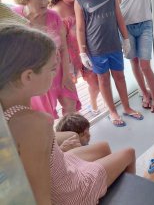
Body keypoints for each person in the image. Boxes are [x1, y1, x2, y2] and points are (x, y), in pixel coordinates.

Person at [0, 23, 136, 205]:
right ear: (28, 77)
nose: (55, 74)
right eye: (51, 69)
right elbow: (42, 199)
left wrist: (57, 147)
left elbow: (31, 153)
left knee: (102, 147)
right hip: (71, 194)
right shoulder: (36, 124)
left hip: (61, 168)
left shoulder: (8, 111)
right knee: (128, 153)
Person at [71, 0, 143, 127]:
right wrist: (82, 52)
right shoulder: (80, 1)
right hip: (96, 49)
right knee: (103, 80)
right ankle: (112, 111)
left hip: (115, 46)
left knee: (120, 76)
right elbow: (80, 29)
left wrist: (126, 39)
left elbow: (119, 19)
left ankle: (126, 107)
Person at [11, 0, 81, 119]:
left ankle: (72, 137)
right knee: (46, 116)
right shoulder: (15, 15)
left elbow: (63, 48)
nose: (44, 2)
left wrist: (67, 75)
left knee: (71, 108)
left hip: (58, 69)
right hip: (36, 73)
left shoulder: (54, 16)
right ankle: (55, 141)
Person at [47, 0, 101, 115]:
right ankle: (74, 120)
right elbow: (59, 41)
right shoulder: (56, 12)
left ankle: (93, 105)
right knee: (70, 92)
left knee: (96, 84)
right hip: (69, 57)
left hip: (88, 50)